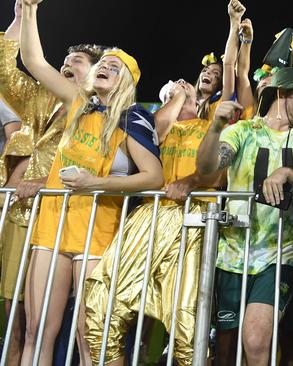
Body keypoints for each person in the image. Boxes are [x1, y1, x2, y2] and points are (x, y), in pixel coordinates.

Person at [19, 1, 163, 364]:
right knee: (37, 328)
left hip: (96, 233)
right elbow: (35, 62)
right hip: (53, 224)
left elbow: (155, 177)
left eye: (116, 68)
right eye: (104, 64)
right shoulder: (78, 101)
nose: (106, 68)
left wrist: (95, 183)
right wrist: (30, 11)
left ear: (126, 82)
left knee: (89, 334)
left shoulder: (131, 120)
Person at [196, 67, 293, 366]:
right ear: (284, 91)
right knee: (226, 351)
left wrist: (290, 173)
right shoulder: (242, 131)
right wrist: (215, 127)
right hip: (232, 253)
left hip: (281, 252)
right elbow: (206, 168)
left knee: (256, 340)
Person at [84, 80, 218, 366]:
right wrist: (179, 95)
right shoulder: (159, 129)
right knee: (101, 306)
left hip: (193, 219)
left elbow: (217, 171)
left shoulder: (210, 127)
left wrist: (191, 181)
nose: (182, 93)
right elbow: (152, 130)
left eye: (188, 94)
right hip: (149, 216)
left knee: (188, 326)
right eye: (172, 95)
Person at [0, 1, 104, 363]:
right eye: (67, 59)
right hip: (22, 213)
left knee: (63, 326)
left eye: (79, 60)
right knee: (18, 321)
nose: (69, 62)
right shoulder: (42, 98)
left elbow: (93, 167)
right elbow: (7, 65)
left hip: (62, 218)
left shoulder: (96, 108)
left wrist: (43, 182)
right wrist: (20, 16)